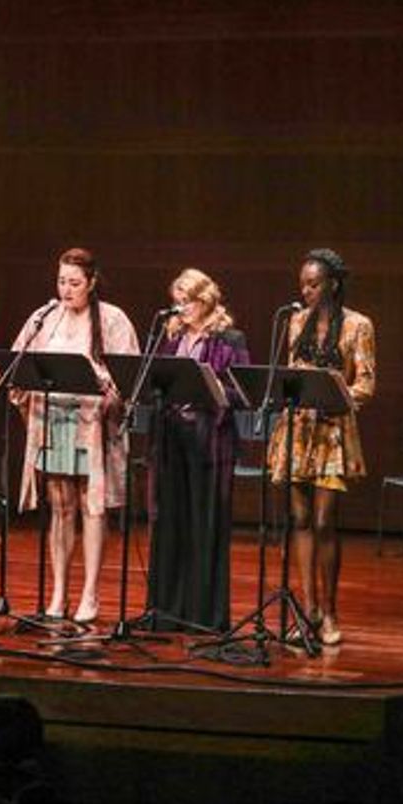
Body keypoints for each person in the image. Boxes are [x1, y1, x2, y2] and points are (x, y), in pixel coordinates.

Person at [13, 247, 138, 624]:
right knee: (61, 506)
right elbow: (20, 361)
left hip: (91, 427)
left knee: (91, 506)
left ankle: (90, 594)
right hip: (54, 422)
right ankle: (58, 591)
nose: (66, 290)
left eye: (74, 283)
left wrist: (109, 393)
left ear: (92, 283)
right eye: (61, 281)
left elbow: (128, 374)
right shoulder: (45, 316)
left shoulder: (112, 319)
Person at [267, 248, 375, 646]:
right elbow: (291, 373)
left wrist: (335, 391)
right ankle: (308, 608)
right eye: (302, 285)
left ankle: (330, 612)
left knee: (325, 520)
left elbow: (366, 381)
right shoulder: (294, 321)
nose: (306, 291)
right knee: (298, 519)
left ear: (332, 284)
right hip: (297, 429)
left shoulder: (358, 325)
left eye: (313, 284)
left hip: (331, 429)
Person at [147, 268, 250, 632]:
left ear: (205, 300)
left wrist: (215, 388)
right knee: (173, 523)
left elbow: (244, 392)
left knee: (204, 526)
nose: (180, 309)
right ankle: (168, 611)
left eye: (186, 302)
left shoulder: (229, 339)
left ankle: (203, 616)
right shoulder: (170, 336)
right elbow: (153, 380)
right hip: (173, 442)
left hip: (210, 444)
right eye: (177, 302)